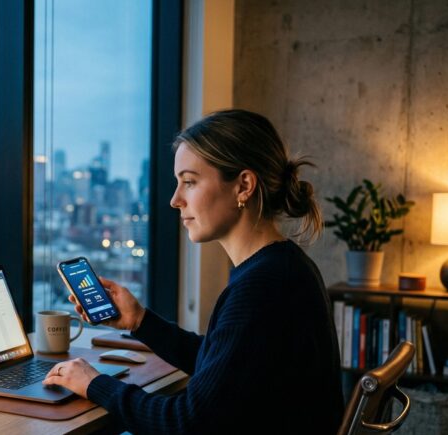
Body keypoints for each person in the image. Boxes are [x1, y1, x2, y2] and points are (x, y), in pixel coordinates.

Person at [42, 109, 345, 434]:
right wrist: (140, 321)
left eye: (189, 182)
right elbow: (225, 364)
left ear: (243, 185)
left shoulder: (264, 286)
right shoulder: (282, 267)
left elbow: (187, 423)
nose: (175, 200)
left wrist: (94, 383)